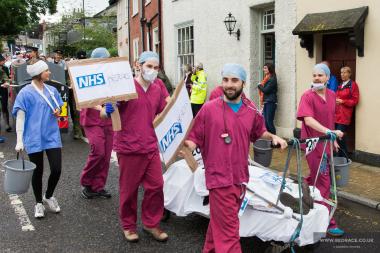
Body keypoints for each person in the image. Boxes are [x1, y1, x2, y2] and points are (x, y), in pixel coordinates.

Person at [184, 63, 287, 252]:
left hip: (240, 177)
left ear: (243, 83)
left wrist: (273, 136)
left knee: (220, 223)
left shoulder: (250, 109)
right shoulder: (208, 109)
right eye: (225, 80)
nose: (229, 84)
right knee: (229, 233)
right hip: (219, 178)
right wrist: (183, 145)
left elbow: (259, 131)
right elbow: (193, 138)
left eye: (234, 80)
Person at [106, 51, 169, 243]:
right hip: (129, 146)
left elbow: (166, 107)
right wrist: (111, 107)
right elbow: (112, 111)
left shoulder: (158, 86)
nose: (152, 70)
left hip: (150, 145)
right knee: (129, 189)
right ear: (138, 65)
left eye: (156, 67)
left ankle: (151, 223)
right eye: (148, 66)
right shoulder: (126, 86)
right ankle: (129, 225)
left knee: (156, 185)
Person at [297, 63, 344, 237]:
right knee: (324, 181)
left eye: (320, 75)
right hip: (314, 146)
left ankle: (302, 198)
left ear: (327, 78)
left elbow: (329, 119)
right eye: (314, 75)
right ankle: (328, 222)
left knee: (315, 178)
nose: (316, 78)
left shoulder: (332, 95)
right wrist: (330, 133)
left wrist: (333, 141)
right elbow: (308, 120)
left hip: (327, 145)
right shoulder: (307, 96)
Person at [13, 59, 64, 218]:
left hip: (51, 135)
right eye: (47, 70)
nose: (49, 72)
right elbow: (20, 118)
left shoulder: (52, 91)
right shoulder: (25, 92)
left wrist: (58, 113)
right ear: (38, 74)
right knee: (38, 171)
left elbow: (59, 110)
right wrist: (19, 140)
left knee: (56, 169)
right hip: (33, 137)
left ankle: (48, 196)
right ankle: (38, 203)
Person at [79, 48, 113, 199]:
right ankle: (87, 182)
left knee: (106, 156)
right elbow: (84, 97)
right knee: (98, 151)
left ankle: (99, 186)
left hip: (108, 120)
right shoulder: (87, 75)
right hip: (92, 119)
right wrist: (101, 108)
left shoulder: (112, 75)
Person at [335, 66, 359, 157]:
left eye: (345, 72)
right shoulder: (340, 85)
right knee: (337, 136)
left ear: (349, 74)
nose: (342, 74)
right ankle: (339, 157)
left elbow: (355, 100)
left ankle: (344, 158)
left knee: (340, 136)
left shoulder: (353, 85)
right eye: (341, 72)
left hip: (344, 115)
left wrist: (343, 101)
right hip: (336, 114)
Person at [257, 63, 278, 134]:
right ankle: (270, 138)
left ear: (270, 68)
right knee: (266, 122)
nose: (264, 70)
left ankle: (275, 140)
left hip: (271, 102)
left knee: (269, 121)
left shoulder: (272, 79)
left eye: (265, 68)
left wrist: (259, 85)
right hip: (267, 101)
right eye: (263, 68)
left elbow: (266, 90)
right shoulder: (267, 78)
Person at [1, 54, 12, 136]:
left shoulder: (4, 68)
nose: (3, 62)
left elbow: (7, 78)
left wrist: (7, 82)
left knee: (4, 106)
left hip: (3, 90)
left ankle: (7, 125)